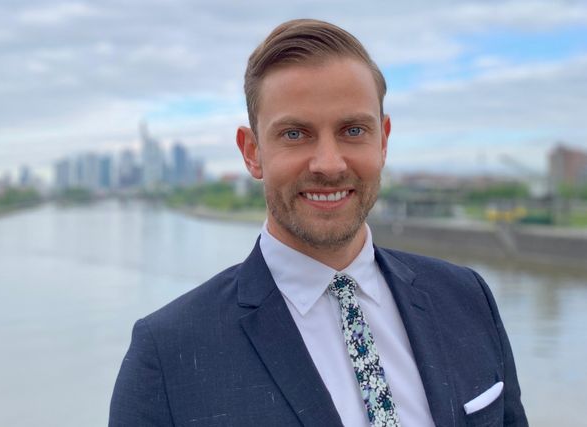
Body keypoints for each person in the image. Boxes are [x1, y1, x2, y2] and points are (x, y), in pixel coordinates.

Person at [109, 19, 528, 426]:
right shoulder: (167, 355)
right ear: (252, 152)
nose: (329, 164)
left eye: (353, 130)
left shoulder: (466, 298)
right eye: (295, 134)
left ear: (383, 141)